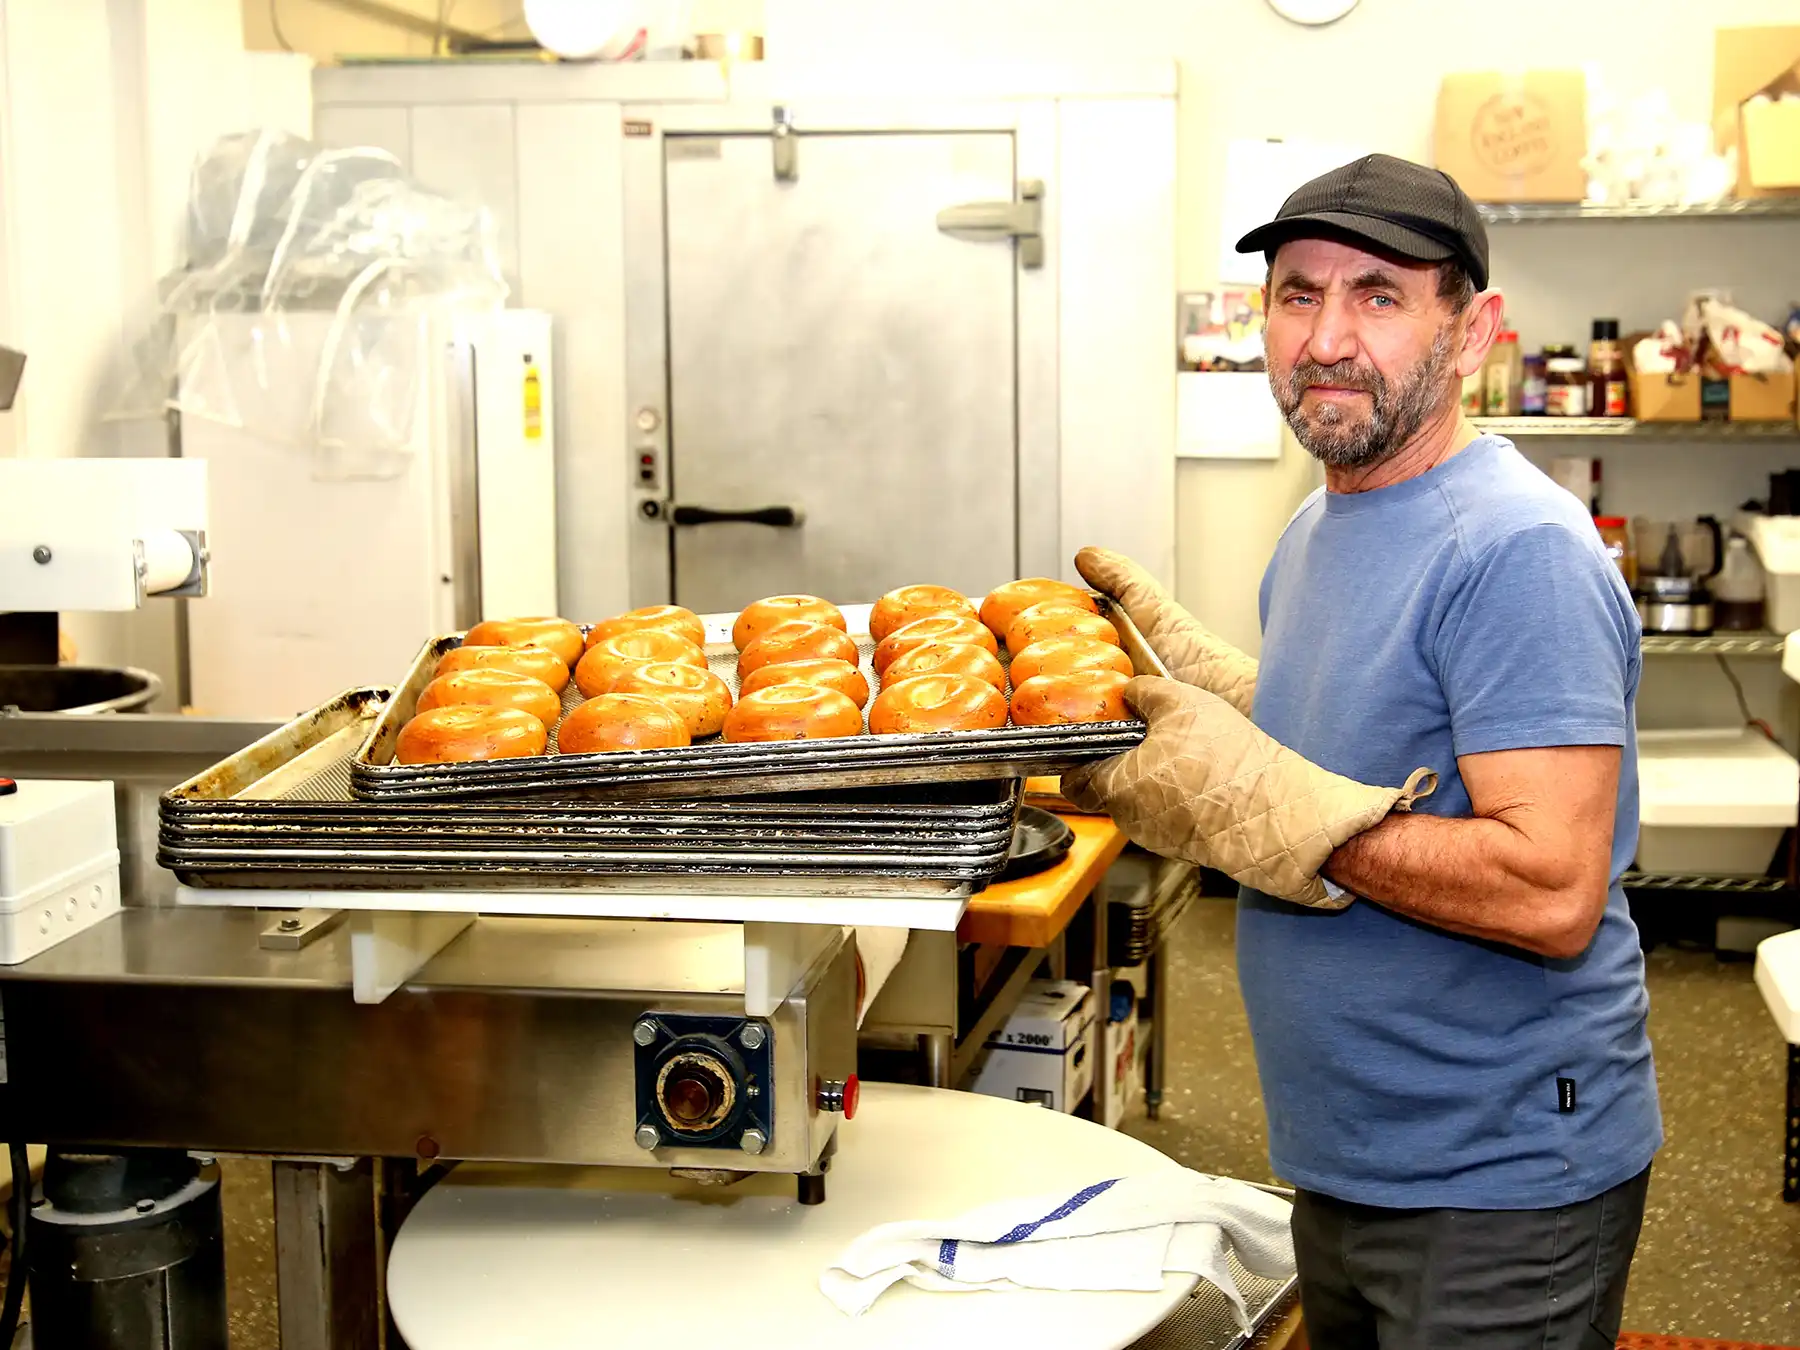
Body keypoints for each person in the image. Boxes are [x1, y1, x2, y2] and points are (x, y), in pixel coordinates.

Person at [1063, 153, 1660, 1349]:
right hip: (1351, 1150)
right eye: (1297, 294)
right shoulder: (1323, 521)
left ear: (1473, 328)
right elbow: (1364, 745)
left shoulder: (1517, 551)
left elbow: (1552, 891)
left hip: (1495, 1178)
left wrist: (1257, 802)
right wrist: (1232, 697)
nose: (1327, 337)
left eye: (1378, 295)